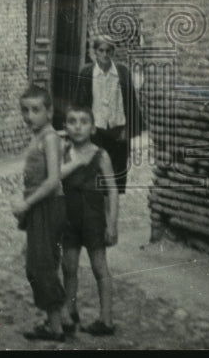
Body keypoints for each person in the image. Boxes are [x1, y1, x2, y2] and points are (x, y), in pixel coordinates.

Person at [12, 86, 67, 342]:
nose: (29, 116)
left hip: (47, 205)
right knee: (41, 263)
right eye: (25, 110)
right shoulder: (38, 136)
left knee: (41, 265)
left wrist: (27, 203)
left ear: (49, 112)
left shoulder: (50, 138)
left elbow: (54, 180)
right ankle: (59, 319)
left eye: (36, 110)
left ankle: (55, 328)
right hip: (38, 206)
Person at [59, 104, 118, 337]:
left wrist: (112, 223)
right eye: (72, 121)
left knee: (99, 267)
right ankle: (71, 311)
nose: (78, 126)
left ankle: (106, 318)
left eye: (84, 122)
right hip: (69, 220)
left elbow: (112, 190)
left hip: (93, 221)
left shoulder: (100, 155)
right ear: (65, 127)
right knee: (69, 266)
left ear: (93, 128)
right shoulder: (63, 154)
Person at [64, 36, 142, 194]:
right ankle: (98, 209)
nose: (104, 54)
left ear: (113, 52)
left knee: (117, 173)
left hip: (118, 131)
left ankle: (112, 208)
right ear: (94, 52)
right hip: (96, 131)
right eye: (101, 50)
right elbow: (79, 103)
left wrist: (129, 129)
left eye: (108, 51)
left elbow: (132, 102)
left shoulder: (122, 72)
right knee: (96, 172)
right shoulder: (87, 72)